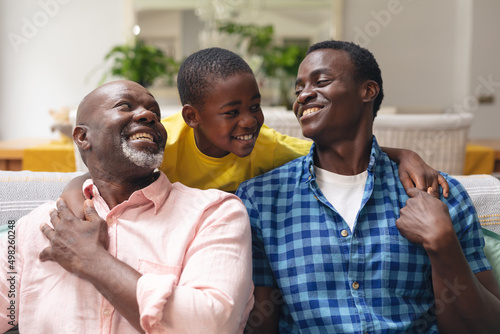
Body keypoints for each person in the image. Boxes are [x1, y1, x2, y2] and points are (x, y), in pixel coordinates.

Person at [235, 40, 500, 333]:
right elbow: (260, 324)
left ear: (368, 91)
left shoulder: (439, 193)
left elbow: (487, 326)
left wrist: (443, 244)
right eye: (299, 90)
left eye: (321, 81)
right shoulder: (260, 200)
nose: (304, 95)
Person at [62, 47, 448, 219]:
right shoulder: (168, 140)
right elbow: (107, 172)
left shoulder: (268, 146)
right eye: (232, 113)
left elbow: (343, 151)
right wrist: (71, 193)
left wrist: (403, 155)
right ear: (193, 117)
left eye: (254, 106)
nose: (249, 121)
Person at [0, 80, 253, 333]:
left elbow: (211, 325)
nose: (148, 115)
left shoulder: (214, 213)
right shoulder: (34, 228)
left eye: (156, 113)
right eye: (125, 106)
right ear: (82, 136)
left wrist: (92, 260)